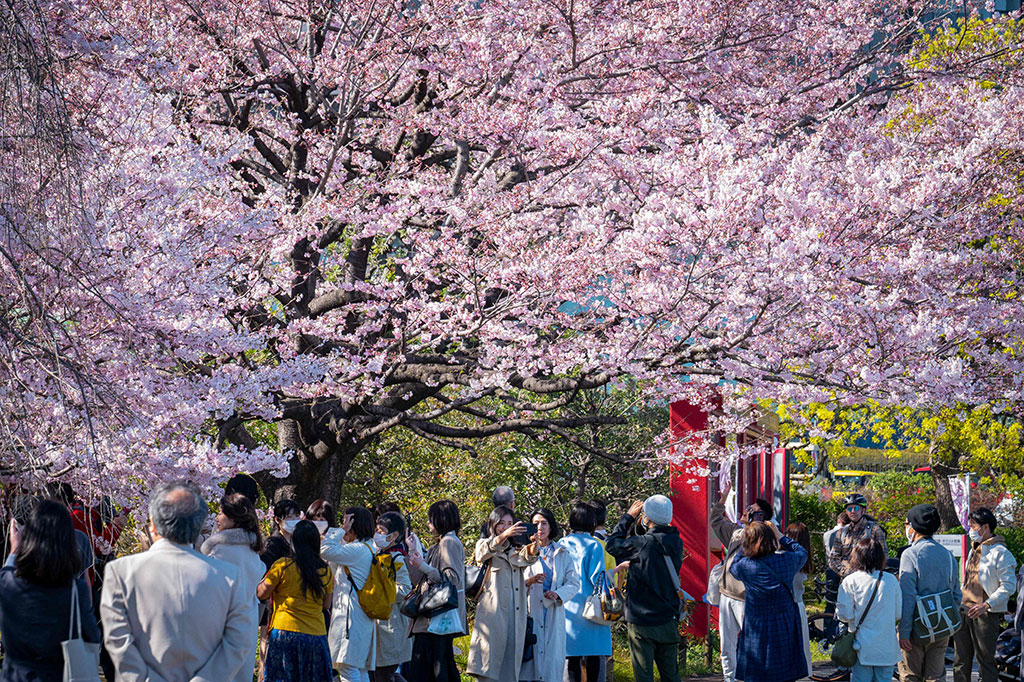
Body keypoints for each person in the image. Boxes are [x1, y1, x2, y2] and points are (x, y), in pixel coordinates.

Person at [101, 480, 253, 681]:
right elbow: (238, 642)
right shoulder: (229, 577)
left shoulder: (120, 572)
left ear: (153, 524)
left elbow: (118, 640)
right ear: (198, 527)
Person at [0, 499, 101, 682]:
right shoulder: (75, 590)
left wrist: (14, 551)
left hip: (16, 677)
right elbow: (92, 636)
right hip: (60, 675)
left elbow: (7, 572)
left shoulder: (8, 584)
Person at [606, 495, 684, 682]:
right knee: (671, 676)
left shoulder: (641, 543)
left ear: (646, 517)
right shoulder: (676, 541)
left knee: (643, 676)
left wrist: (628, 517)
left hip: (642, 621)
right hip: (668, 618)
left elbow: (612, 545)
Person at [727, 520, 807, 682]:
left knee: (757, 673)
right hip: (784, 622)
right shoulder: (786, 561)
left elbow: (733, 565)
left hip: (757, 624)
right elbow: (802, 552)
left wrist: (745, 544)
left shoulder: (745, 566)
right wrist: (780, 535)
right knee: (785, 671)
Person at [467, 506, 540, 682]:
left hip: (515, 615)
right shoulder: (485, 544)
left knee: (509, 667)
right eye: (502, 523)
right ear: (493, 524)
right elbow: (481, 554)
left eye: (510, 523)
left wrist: (535, 543)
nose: (506, 527)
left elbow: (528, 558)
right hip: (493, 614)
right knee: (489, 665)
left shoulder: (515, 550)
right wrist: (504, 535)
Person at [710, 482, 772, 682]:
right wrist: (722, 500)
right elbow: (715, 521)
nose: (745, 511)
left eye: (750, 509)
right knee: (726, 645)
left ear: (759, 516)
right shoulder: (736, 532)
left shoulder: (766, 538)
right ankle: (730, 679)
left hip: (748, 598)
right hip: (727, 595)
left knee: (752, 644)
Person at [201, 492, 267, 682]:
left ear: (234, 518)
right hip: (247, 621)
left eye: (221, 513)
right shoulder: (252, 551)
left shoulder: (221, 550)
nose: (217, 517)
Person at [258, 520, 335, 682]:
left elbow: (261, 594)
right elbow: (326, 605)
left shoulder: (282, 566)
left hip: (285, 633)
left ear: (294, 542)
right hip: (316, 635)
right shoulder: (325, 571)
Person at [898, 503, 962, 682]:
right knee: (936, 677)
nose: (906, 528)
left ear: (914, 526)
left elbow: (908, 596)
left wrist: (904, 631)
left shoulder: (910, 554)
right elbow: (956, 594)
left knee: (911, 676)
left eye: (906, 524)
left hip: (916, 627)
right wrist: (948, 620)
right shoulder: (947, 554)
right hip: (942, 625)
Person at [953, 507, 1018, 682]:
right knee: (960, 660)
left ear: (985, 527)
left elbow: (1009, 585)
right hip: (964, 609)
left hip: (985, 613)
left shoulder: (1001, 552)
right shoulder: (973, 549)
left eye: (974, 526)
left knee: (986, 661)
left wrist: (987, 604)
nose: (971, 530)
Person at [406, 500, 467, 682]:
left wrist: (423, 566)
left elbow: (452, 579)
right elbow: (417, 580)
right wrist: (412, 551)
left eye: (431, 519)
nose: (428, 523)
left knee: (431, 671)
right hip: (431, 619)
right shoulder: (438, 545)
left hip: (437, 618)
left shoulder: (449, 542)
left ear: (441, 519)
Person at [520, 508, 580, 682]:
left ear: (551, 526)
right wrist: (529, 581)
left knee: (551, 662)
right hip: (530, 611)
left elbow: (573, 582)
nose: (540, 527)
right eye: (535, 524)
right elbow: (514, 583)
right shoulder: (523, 553)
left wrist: (558, 594)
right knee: (530, 663)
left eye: (544, 523)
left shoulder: (562, 553)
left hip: (553, 611)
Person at [321, 506, 378, 682]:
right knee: (358, 669)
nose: (344, 525)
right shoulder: (367, 547)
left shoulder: (357, 550)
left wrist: (340, 531)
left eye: (346, 521)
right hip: (360, 617)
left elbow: (324, 550)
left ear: (354, 524)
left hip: (350, 619)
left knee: (347, 669)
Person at [561, 502, 614, 682]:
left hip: (567, 607)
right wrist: (614, 573)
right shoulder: (594, 545)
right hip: (591, 608)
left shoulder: (562, 543)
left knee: (571, 658)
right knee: (594, 655)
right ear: (592, 522)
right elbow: (597, 578)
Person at [836, 538, 902, 682]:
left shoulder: (850, 581)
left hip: (861, 646)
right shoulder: (891, 580)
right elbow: (898, 614)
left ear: (857, 556)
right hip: (886, 645)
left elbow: (844, 615)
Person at [372, 512, 413, 682]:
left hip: (392, 624)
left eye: (381, 531)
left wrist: (379, 592)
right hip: (381, 625)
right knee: (383, 674)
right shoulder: (380, 555)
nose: (377, 534)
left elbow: (405, 589)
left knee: (385, 674)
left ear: (394, 535)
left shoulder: (397, 558)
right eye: (376, 530)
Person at [829, 494, 888, 581]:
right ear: (846, 512)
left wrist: (871, 573)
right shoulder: (841, 533)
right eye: (849, 509)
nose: (852, 511)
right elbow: (833, 557)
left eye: (856, 508)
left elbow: (884, 556)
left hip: (869, 580)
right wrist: (844, 571)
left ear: (863, 510)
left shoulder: (874, 530)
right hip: (846, 581)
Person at [785, 522, 814, 680]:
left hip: (787, 608)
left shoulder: (787, 558)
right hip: (799, 605)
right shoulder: (803, 559)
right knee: (799, 649)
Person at [261, 499, 302, 570]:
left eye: (297, 516)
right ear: (277, 520)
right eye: (289, 517)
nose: (294, 520)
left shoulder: (301, 539)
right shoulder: (272, 544)